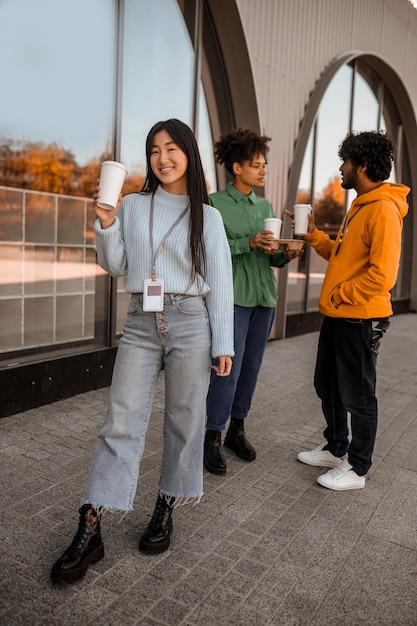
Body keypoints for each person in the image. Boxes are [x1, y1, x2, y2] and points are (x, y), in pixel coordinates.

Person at [50, 118, 234, 583]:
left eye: (172, 148)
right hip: (140, 321)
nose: (163, 157)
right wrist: (107, 224)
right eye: (154, 150)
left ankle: (166, 504)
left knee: (184, 420)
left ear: (189, 154)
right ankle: (90, 526)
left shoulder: (207, 217)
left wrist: (224, 342)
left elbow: (222, 286)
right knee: (120, 419)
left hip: (192, 322)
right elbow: (117, 265)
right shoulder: (132, 204)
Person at [295, 130, 410, 491]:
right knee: (326, 384)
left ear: (360, 165)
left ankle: (357, 468)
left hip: (361, 317)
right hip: (341, 314)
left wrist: (342, 292)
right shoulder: (360, 206)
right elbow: (343, 257)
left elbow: (383, 275)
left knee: (358, 395)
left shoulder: (384, 210)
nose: (340, 169)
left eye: (344, 162)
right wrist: (314, 236)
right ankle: (335, 447)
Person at [204, 128, 303, 475]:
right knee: (225, 369)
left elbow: (270, 258)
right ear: (236, 167)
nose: (262, 170)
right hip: (232, 298)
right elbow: (207, 253)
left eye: (264, 164)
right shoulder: (214, 204)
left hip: (264, 297)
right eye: (255, 164)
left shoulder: (265, 205)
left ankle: (237, 429)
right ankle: (212, 435)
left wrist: (286, 253)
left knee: (251, 368)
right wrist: (247, 242)